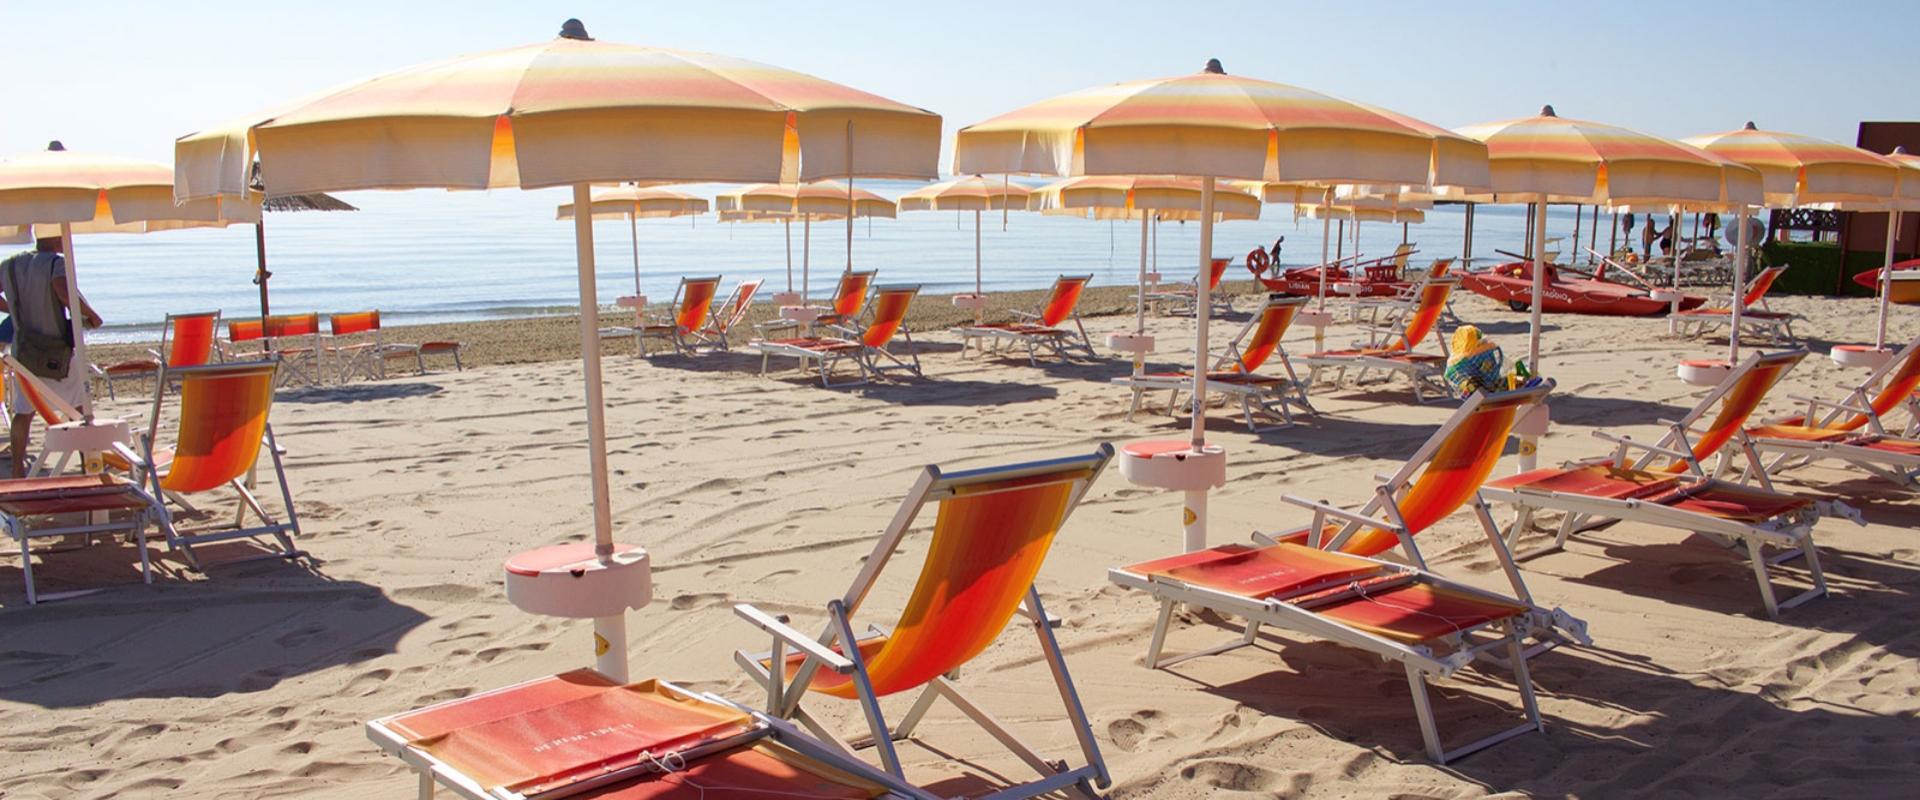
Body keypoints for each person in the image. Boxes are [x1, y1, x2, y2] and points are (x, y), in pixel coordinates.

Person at [0, 236, 103, 477]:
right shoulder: (55, 263)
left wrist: (13, 307)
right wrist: (90, 315)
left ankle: (17, 470)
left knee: (23, 413)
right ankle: (87, 464)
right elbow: (62, 290)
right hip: (57, 351)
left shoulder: (10, 265)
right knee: (78, 409)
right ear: (55, 239)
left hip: (24, 352)